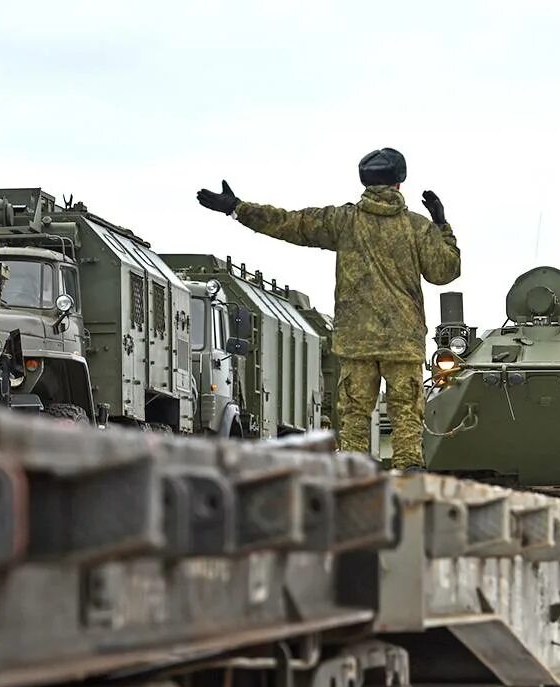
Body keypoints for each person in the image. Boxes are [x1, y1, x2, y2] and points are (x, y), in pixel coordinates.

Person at [196, 148, 461, 470]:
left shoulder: (342, 221)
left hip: (355, 341)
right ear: (399, 184)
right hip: (402, 340)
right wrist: (441, 225)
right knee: (405, 411)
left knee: (354, 414)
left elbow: (290, 223)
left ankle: (353, 475)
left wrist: (237, 209)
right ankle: (409, 475)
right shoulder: (417, 227)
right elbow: (444, 272)